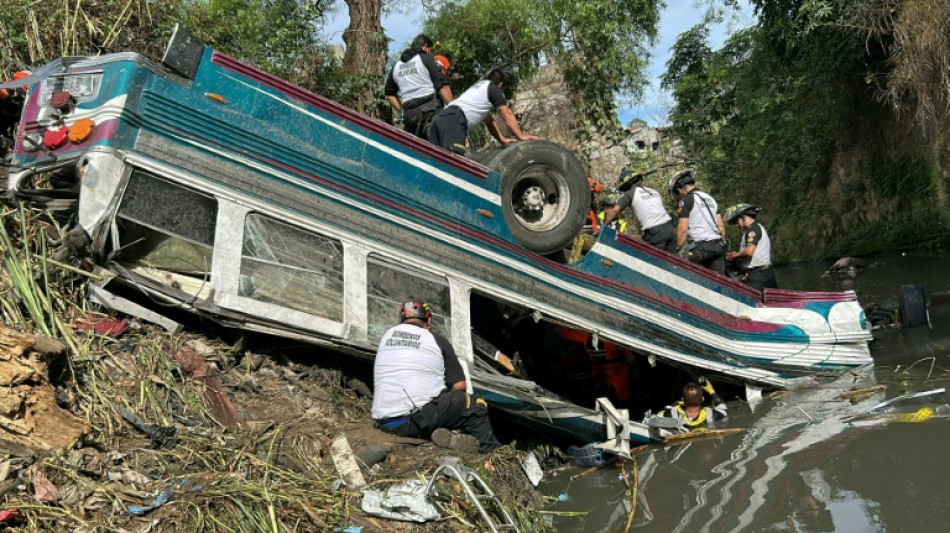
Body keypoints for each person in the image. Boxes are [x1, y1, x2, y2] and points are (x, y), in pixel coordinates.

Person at [371, 300, 501, 453]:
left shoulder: (386, 336)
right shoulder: (435, 340)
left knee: (435, 401)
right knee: (475, 405)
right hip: (413, 422)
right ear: (429, 320)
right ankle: (491, 455)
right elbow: (459, 385)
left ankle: (449, 438)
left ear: (402, 320)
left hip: (383, 421)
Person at [428, 68, 539, 155]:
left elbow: (489, 121)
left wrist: (502, 139)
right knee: (453, 166)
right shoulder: (493, 88)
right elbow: (507, 113)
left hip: (439, 119)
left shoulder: (478, 88)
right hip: (453, 122)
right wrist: (521, 136)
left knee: (437, 165)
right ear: (500, 85)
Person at [384, 34, 454, 139]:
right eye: (429, 49)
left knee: (420, 151)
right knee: (442, 147)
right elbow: (442, 86)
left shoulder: (396, 67)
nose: (429, 52)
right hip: (431, 111)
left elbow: (389, 94)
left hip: (410, 117)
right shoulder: (426, 59)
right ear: (425, 46)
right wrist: (454, 109)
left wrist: (403, 111)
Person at [602, 169, 677, 252]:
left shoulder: (630, 194)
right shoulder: (653, 191)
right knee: (672, 261)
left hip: (655, 233)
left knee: (648, 260)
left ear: (626, 185)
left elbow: (614, 211)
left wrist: (604, 226)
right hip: (670, 229)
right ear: (639, 180)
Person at [669, 169, 727, 273]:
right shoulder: (710, 198)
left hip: (701, 249)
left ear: (680, 189)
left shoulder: (686, 200)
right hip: (718, 247)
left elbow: (682, 229)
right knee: (717, 283)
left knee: (681, 270)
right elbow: (721, 226)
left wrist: (677, 247)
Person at [724, 203, 778, 291]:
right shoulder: (757, 227)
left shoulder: (752, 230)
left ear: (744, 217)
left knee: (749, 300)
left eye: (736, 221)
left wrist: (735, 255)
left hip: (758, 275)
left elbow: (749, 251)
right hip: (766, 272)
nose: (736, 225)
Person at [657, 377, 727, 431]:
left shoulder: (672, 413)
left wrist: (672, 406)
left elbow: (658, 417)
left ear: (683, 400)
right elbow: (724, 411)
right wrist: (712, 392)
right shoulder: (709, 414)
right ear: (703, 399)